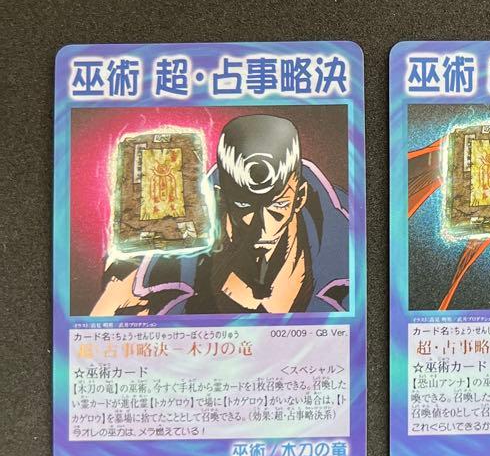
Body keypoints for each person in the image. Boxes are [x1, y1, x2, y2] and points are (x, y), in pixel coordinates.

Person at [91, 115, 350, 315]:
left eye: (278, 206)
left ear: (300, 197)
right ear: (220, 197)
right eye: (245, 206)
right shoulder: (145, 271)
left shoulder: (355, 240)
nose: (262, 228)